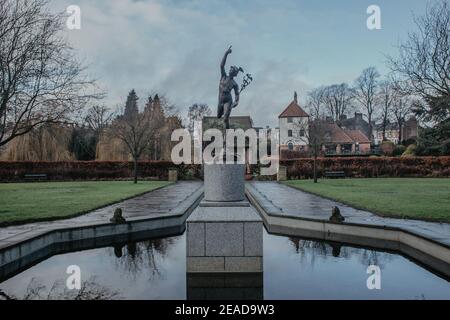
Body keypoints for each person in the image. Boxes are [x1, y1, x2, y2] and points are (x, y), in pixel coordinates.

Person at [217, 46, 242, 129]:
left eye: (232, 70)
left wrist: (236, 102)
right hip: (220, 100)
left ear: (234, 73)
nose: (230, 70)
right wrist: (226, 53)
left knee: (225, 119)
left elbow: (237, 94)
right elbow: (221, 65)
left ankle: (226, 137)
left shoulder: (234, 84)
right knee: (218, 116)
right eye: (230, 69)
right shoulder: (223, 76)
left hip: (228, 101)